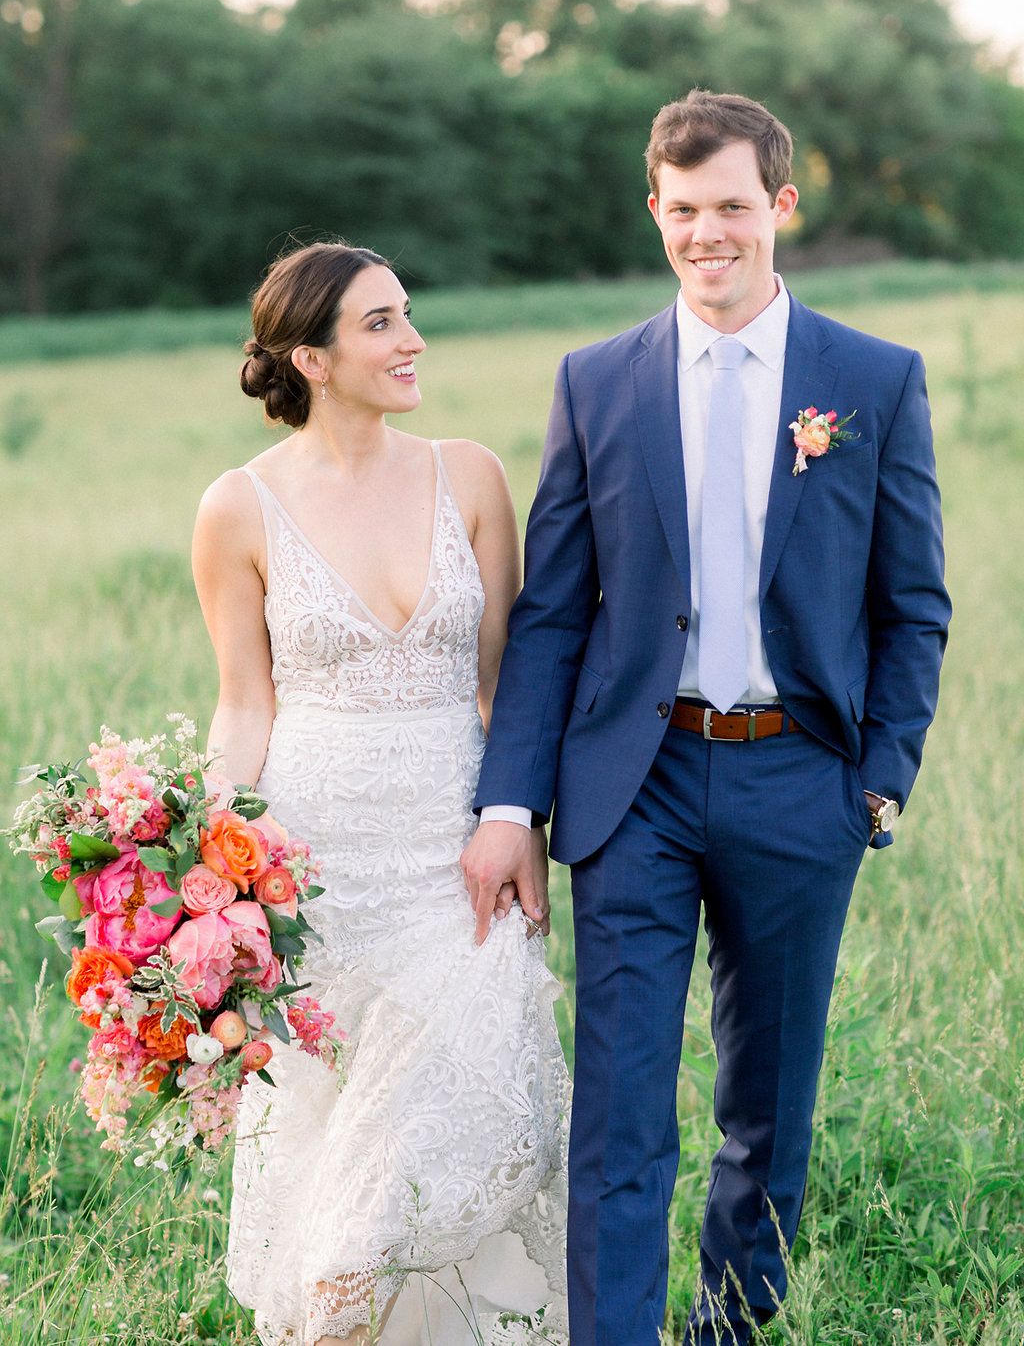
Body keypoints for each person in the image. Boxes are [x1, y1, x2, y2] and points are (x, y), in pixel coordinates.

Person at [461, 90, 951, 1345]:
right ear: (655, 212)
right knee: (620, 1112)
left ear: (780, 206)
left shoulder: (872, 381)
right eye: (682, 211)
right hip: (636, 785)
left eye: (731, 206)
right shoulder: (596, 383)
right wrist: (510, 802)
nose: (706, 234)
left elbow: (913, 604)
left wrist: (879, 777)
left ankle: (732, 1326)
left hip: (803, 783)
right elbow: (555, 614)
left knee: (767, 1106)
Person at [191, 241, 570, 1346]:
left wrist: (522, 823)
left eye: (408, 314)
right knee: (333, 1155)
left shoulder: (473, 475)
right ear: (310, 356)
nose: (412, 342)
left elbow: (509, 682)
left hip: (461, 872)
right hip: (317, 880)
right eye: (380, 324)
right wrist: (211, 887)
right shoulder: (238, 507)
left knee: (402, 1177)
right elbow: (243, 707)